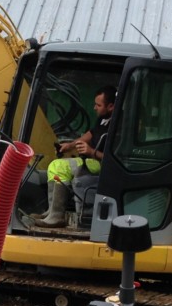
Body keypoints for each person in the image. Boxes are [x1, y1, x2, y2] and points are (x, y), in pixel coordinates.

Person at [34, 85, 116, 228]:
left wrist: (91, 152)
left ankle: (57, 216)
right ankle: (52, 211)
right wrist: (70, 145)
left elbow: (116, 159)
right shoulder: (103, 120)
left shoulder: (118, 126)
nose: (94, 108)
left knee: (61, 167)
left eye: (98, 105)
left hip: (102, 164)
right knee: (54, 164)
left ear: (110, 106)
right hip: (92, 159)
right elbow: (90, 134)